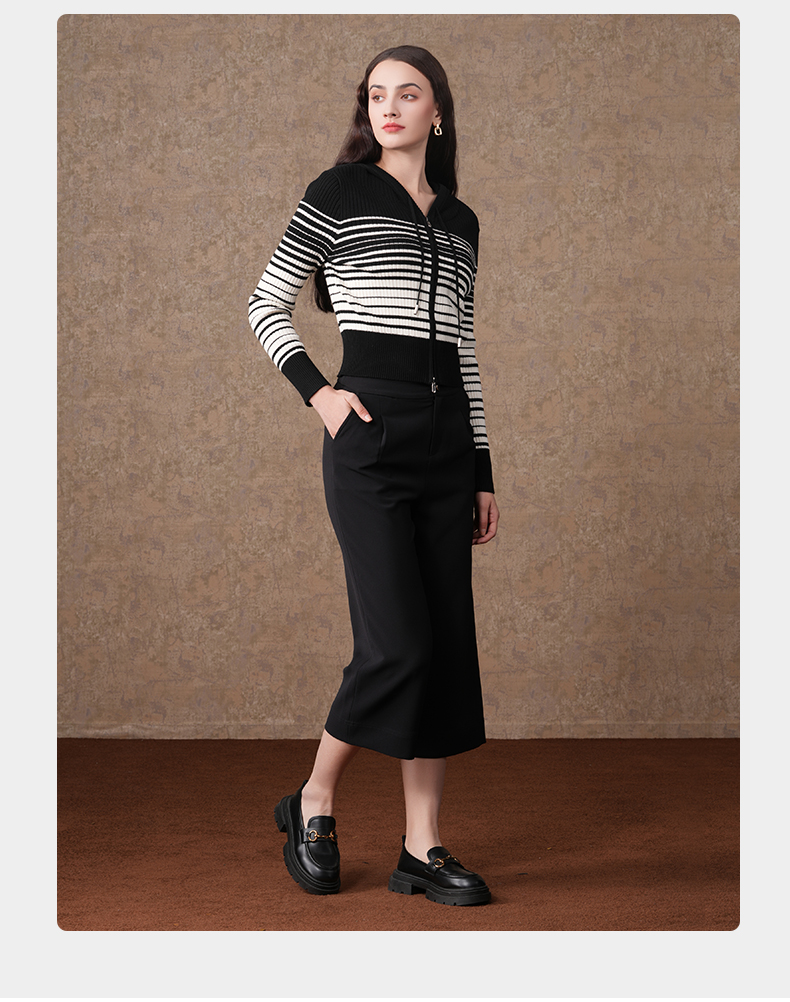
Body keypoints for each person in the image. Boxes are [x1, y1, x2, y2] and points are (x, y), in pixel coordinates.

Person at [248, 45, 499, 907]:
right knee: (398, 645)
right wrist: (319, 394)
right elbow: (265, 303)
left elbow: (463, 351)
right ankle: (313, 798)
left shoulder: (460, 221)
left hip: (446, 447)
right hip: (370, 437)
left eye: (408, 93)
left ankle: (422, 847)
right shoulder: (340, 191)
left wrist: (482, 468)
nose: (388, 107)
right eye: (376, 95)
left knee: (444, 645)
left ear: (439, 111)